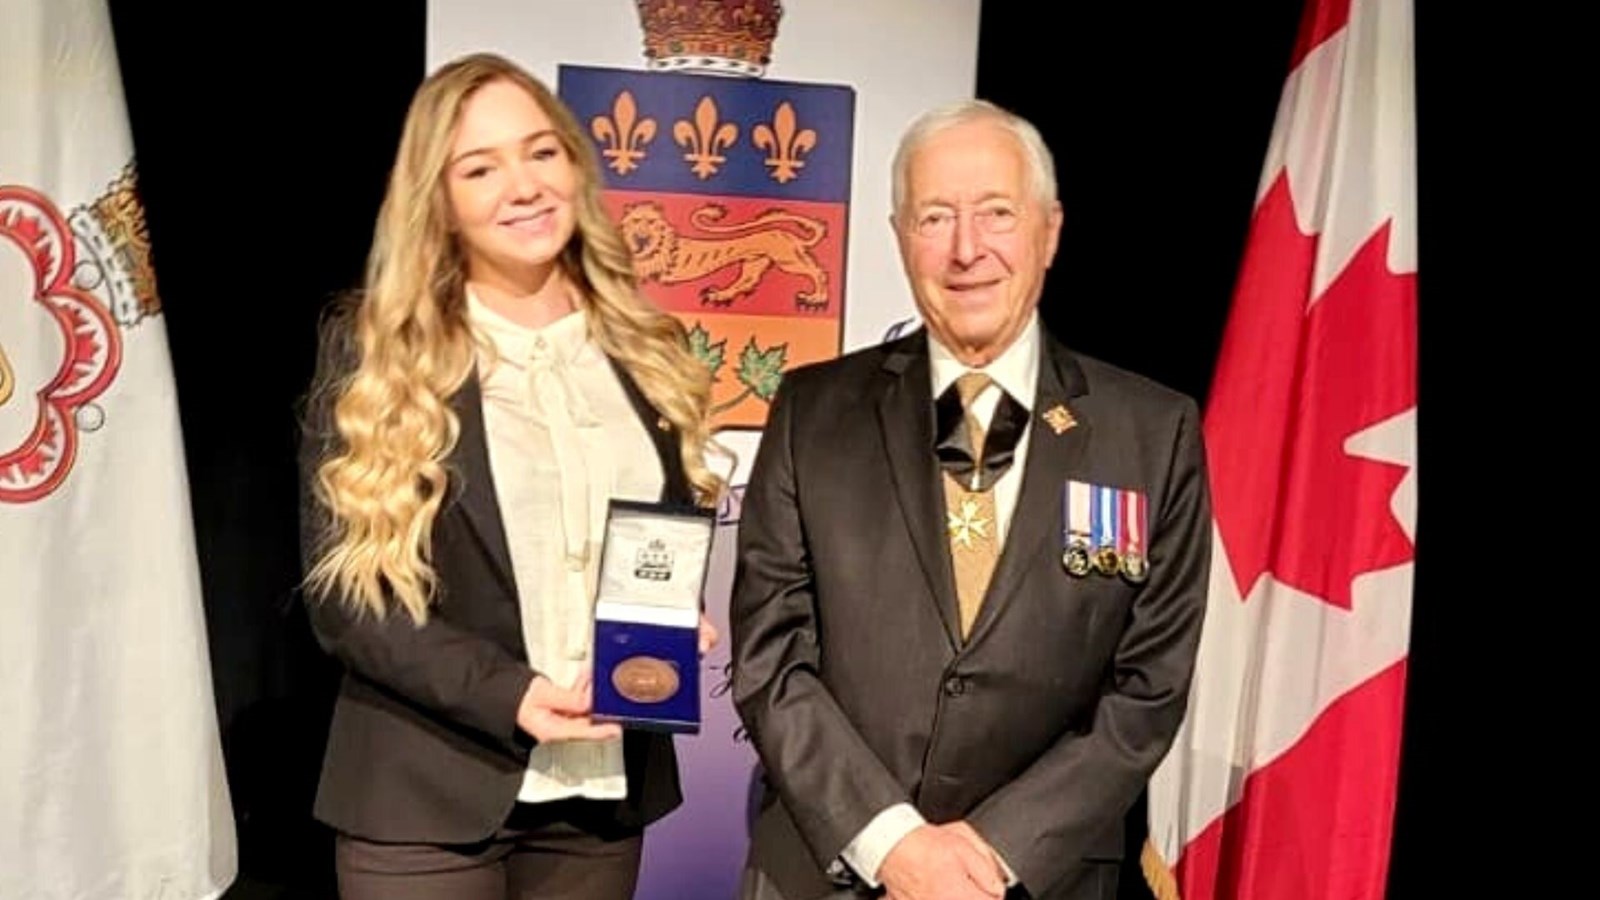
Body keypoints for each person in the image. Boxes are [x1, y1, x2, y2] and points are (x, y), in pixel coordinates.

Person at [730, 99, 1213, 900]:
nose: (966, 250)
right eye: (935, 217)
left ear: (1049, 231)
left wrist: (991, 853)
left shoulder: (1154, 432)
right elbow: (770, 655)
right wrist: (893, 844)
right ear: (897, 236)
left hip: (1039, 879)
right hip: (830, 870)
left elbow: (1149, 687)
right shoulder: (811, 412)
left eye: (996, 213)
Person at [298, 52, 723, 900]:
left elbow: (650, 542)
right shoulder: (379, 351)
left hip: (600, 795)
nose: (522, 185)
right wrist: (512, 695)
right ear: (440, 201)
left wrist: (673, 617)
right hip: (427, 796)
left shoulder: (646, 345)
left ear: (574, 162)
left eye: (540, 152)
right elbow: (349, 604)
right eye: (480, 168)